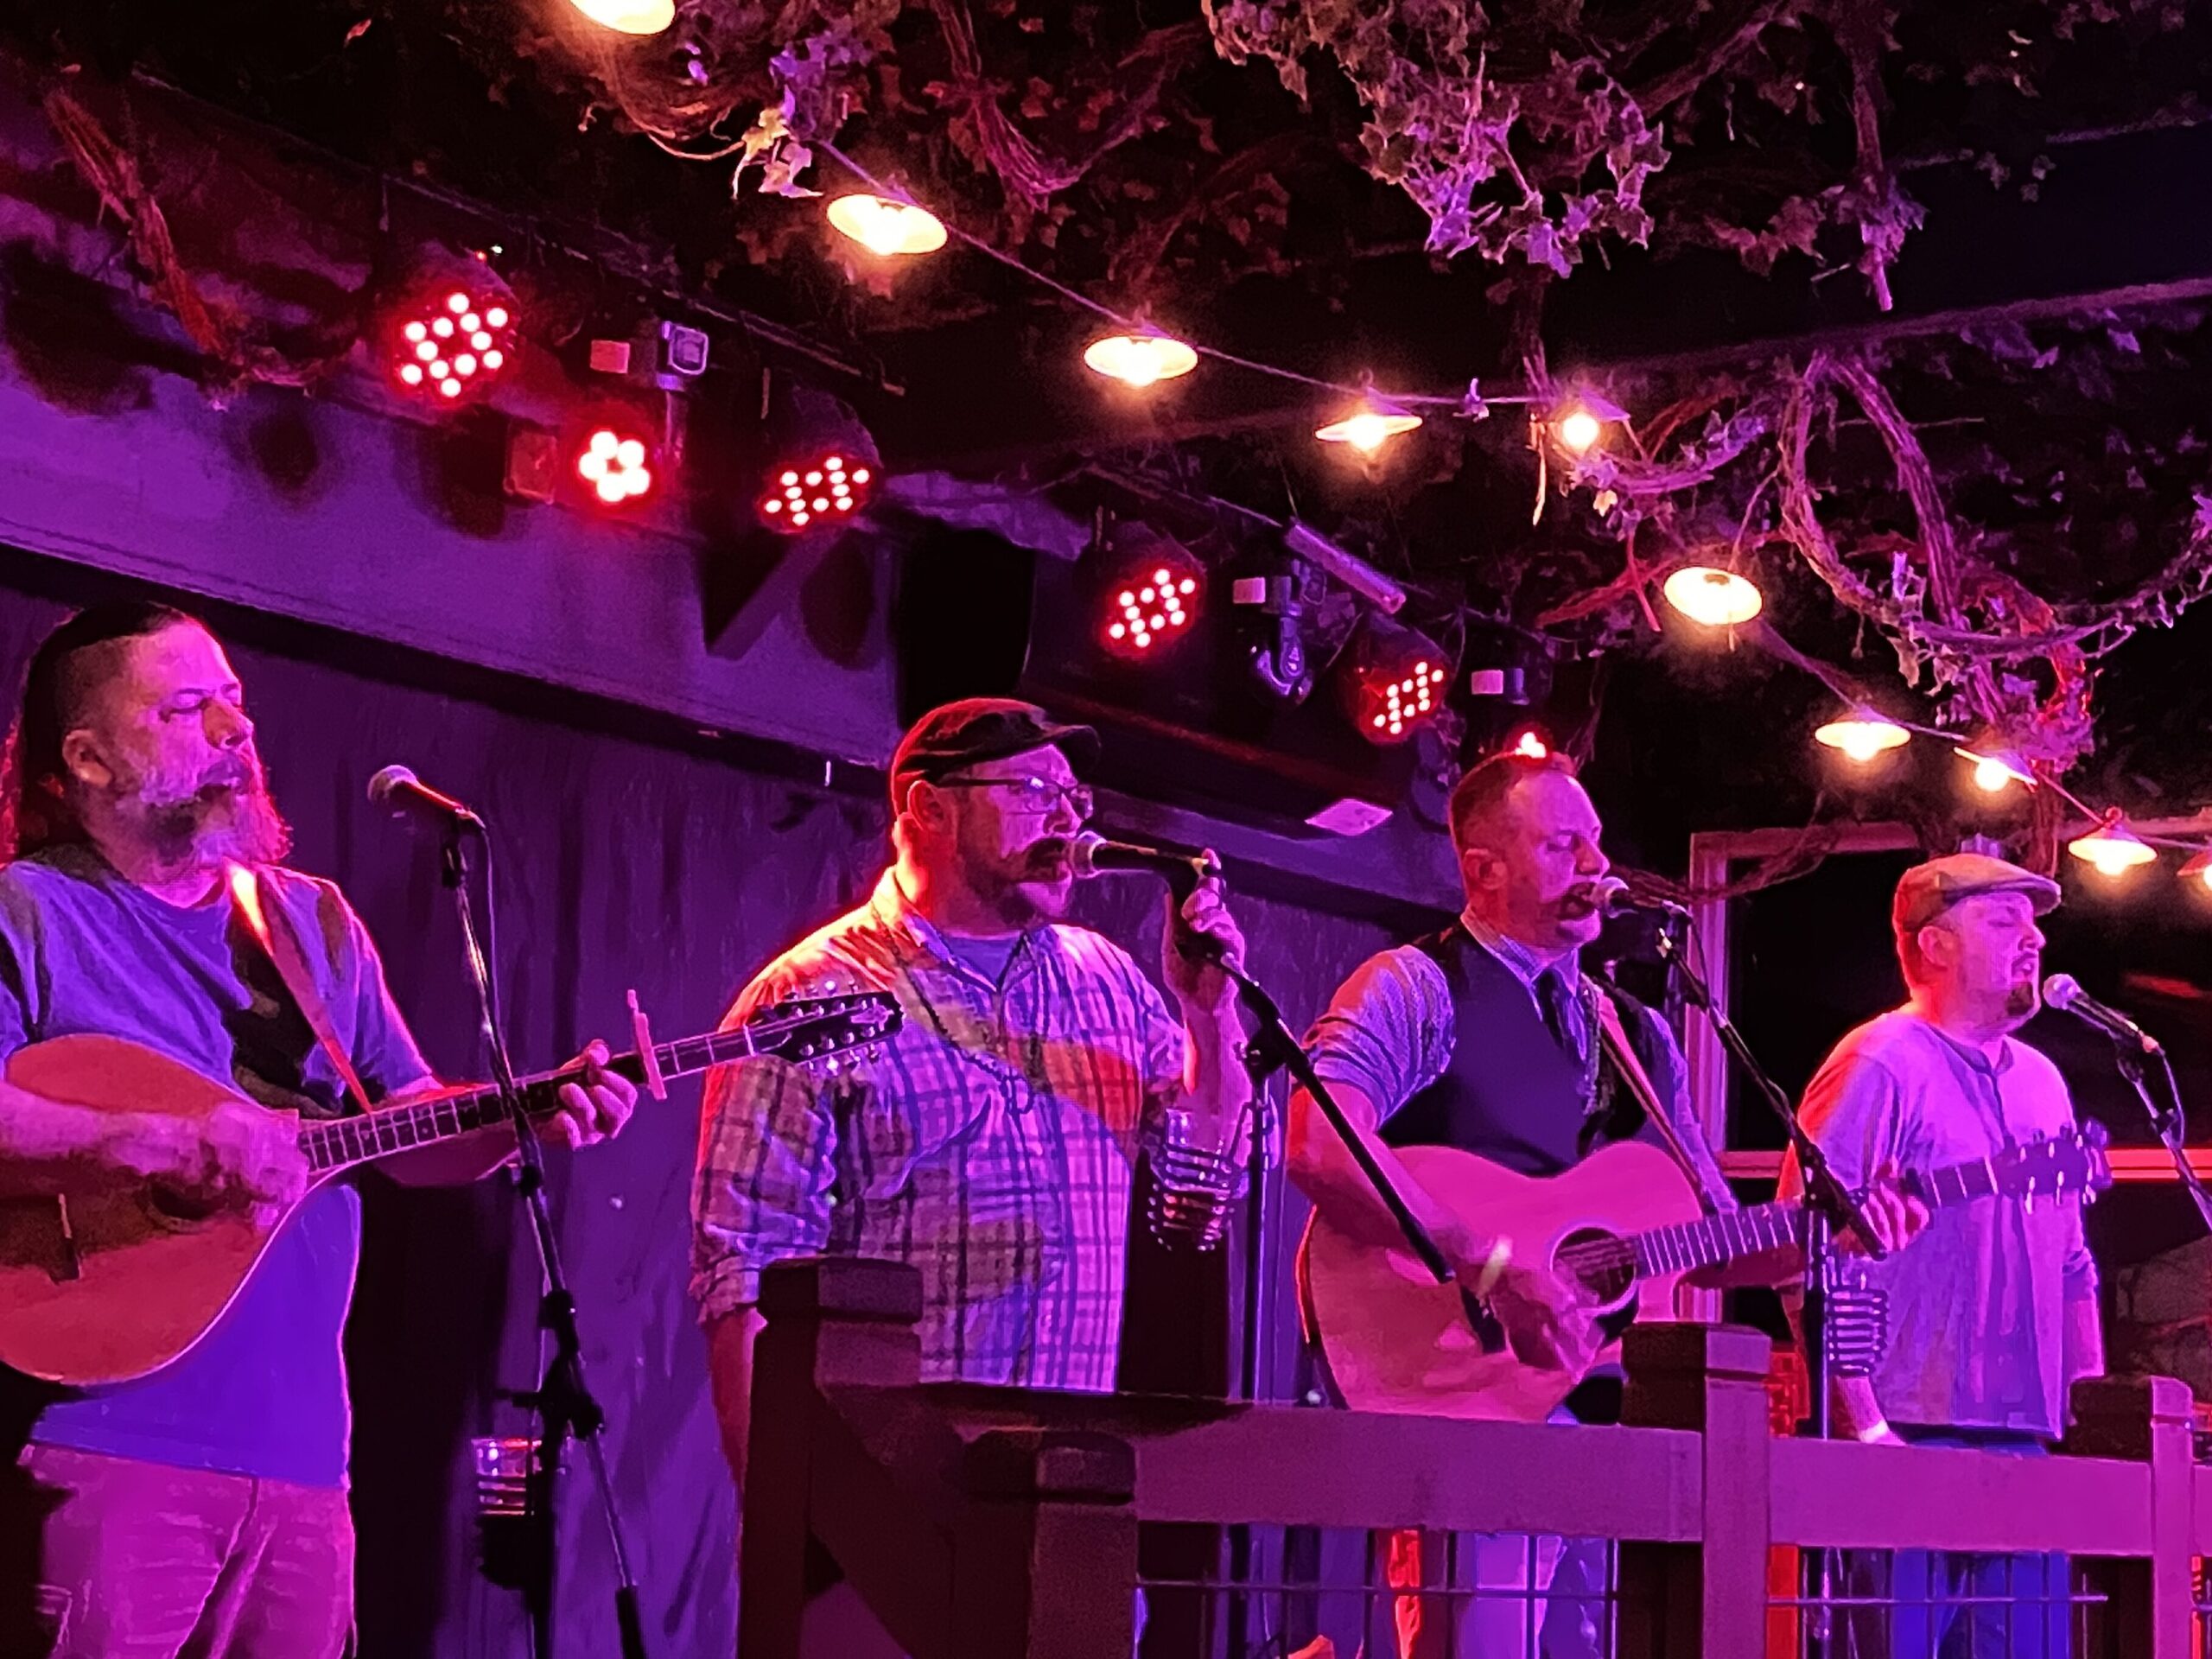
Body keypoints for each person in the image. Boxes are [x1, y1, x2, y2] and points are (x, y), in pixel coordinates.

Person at [0, 601, 638, 1659]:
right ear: (92, 760)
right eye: (187, 708)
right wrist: (163, 1145)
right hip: (98, 1447)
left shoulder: (311, 923)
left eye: (235, 702)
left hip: (303, 1467)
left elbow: (404, 1130)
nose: (235, 730)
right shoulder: (28, 912)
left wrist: (525, 1116)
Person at [1290, 747, 1918, 1659]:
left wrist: (1830, 1233)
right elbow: (1318, 1140)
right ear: (1482, 869)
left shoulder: (1636, 1030)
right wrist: (1492, 1264)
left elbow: (1704, 1241)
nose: (1596, 868)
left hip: (1608, 1414)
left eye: (1594, 844)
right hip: (1466, 1391)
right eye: (1560, 847)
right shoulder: (1416, 988)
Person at [690, 697, 1249, 1641]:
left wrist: (1206, 1020)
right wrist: (787, 1524)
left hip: (1072, 1516)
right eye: (1034, 791)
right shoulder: (814, 993)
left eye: (1075, 795)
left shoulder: (1106, 982)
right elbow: (747, 1281)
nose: (1069, 820)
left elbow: (1198, 1196)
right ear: (926, 809)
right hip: (885, 1525)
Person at [1781, 853, 2103, 1659]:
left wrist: (2096, 1426)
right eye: (2004, 921)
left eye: (2034, 923)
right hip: (1905, 1438)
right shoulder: (1878, 1062)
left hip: (2026, 1446)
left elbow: (2073, 1267)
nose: (2033, 939)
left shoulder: (2044, 1084)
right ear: (1935, 947)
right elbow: (1802, 1254)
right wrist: (1867, 1428)